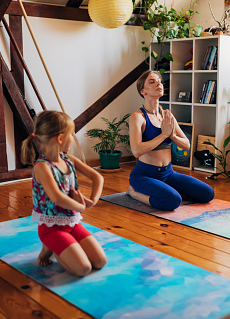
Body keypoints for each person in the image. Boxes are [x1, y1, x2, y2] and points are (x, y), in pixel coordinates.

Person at [21, 110, 106, 277]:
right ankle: (50, 246)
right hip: (51, 228)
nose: (72, 138)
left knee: (100, 261)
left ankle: (54, 247)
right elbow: (57, 198)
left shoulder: (69, 159)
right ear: (60, 138)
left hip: (72, 223)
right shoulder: (42, 167)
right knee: (83, 269)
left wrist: (93, 200)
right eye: (71, 134)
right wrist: (81, 206)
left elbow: (97, 177)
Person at [127, 70, 215, 210]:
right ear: (143, 91)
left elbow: (186, 145)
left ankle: (168, 189)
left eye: (159, 81)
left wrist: (172, 135)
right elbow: (136, 151)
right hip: (144, 175)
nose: (159, 84)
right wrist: (163, 135)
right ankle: (134, 193)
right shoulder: (137, 117)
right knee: (173, 201)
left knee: (207, 193)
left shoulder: (167, 116)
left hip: (169, 174)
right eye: (152, 82)